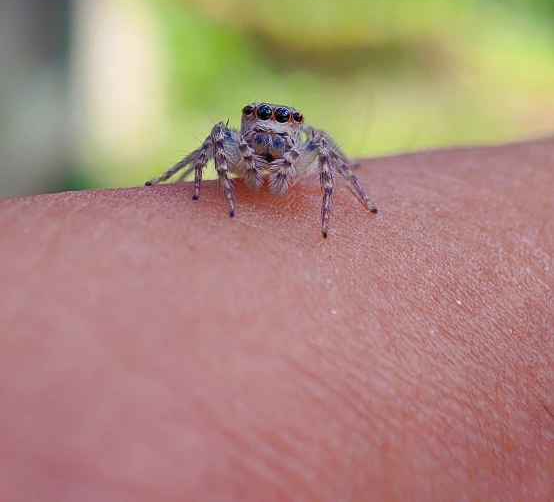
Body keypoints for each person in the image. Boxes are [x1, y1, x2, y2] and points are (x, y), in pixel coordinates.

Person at [0, 138, 552, 501]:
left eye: (281, 123)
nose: (267, 132)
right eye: (257, 121)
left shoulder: (305, 147)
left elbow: (324, 160)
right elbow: (213, 150)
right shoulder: (236, 140)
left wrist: (344, 196)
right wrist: (195, 185)